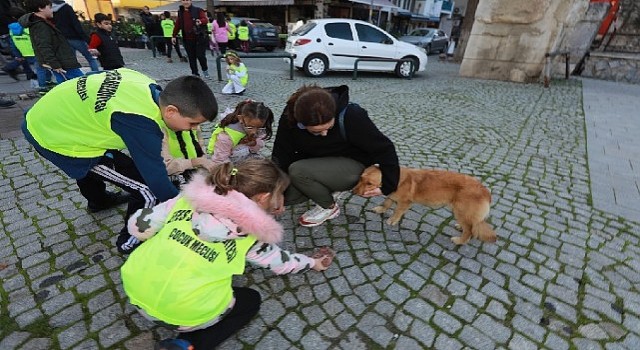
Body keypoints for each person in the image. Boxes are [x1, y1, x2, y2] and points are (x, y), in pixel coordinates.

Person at [120, 159, 334, 349]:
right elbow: (281, 263)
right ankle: (191, 344)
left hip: (134, 292)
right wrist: (314, 263)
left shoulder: (186, 200)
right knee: (250, 301)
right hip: (184, 315)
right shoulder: (251, 236)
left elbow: (137, 228)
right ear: (263, 197)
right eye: (280, 194)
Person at [21, 68, 218, 254]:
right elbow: (156, 182)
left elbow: (99, 76)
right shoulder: (141, 124)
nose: (193, 129)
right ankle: (130, 242)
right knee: (144, 190)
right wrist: (191, 212)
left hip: (52, 116)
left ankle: (98, 201)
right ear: (171, 112)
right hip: (53, 136)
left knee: (100, 167)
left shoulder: (145, 83)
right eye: (193, 123)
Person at [271, 85, 400, 227]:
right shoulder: (290, 116)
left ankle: (329, 207)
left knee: (298, 171)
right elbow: (281, 152)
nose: (324, 134)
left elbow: (385, 149)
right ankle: (324, 186)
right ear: (301, 123)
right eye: (316, 132)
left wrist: (387, 186)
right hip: (315, 164)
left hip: (352, 164)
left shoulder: (352, 115)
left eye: (329, 128)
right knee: (285, 197)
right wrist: (277, 189)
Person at [19, 0, 84, 83]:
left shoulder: (42, 23)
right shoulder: (40, 25)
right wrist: (55, 64)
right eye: (50, 7)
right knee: (80, 83)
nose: (52, 10)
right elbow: (44, 46)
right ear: (41, 8)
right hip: (61, 62)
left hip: (60, 61)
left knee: (68, 84)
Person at [206, 99, 273, 164]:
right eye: (250, 127)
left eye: (259, 127)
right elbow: (220, 160)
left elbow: (256, 149)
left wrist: (254, 143)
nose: (254, 132)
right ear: (240, 119)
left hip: (245, 157)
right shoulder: (226, 136)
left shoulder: (259, 128)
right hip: (226, 161)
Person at [51, 0, 100, 72]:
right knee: (90, 58)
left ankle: (75, 78)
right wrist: (86, 38)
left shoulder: (51, 10)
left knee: (72, 61)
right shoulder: (67, 8)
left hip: (63, 38)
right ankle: (96, 75)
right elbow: (76, 24)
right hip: (75, 37)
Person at [161, 122, 213, 187]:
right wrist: (196, 162)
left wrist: (203, 159)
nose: (195, 127)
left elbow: (199, 141)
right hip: (175, 177)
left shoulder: (192, 124)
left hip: (192, 172)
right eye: (192, 123)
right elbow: (165, 167)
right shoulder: (160, 130)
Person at [172, 0, 209, 78]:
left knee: (200, 55)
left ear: (190, 1)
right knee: (191, 57)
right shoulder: (180, 12)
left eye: (187, 0)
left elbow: (205, 19)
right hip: (187, 38)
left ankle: (205, 70)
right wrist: (174, 36)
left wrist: (200, 21)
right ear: (181, 2)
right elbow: (178, 24)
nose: (186, 2)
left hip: (199, 38)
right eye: (184, 0)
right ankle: (195, 73)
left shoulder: (198, 10)